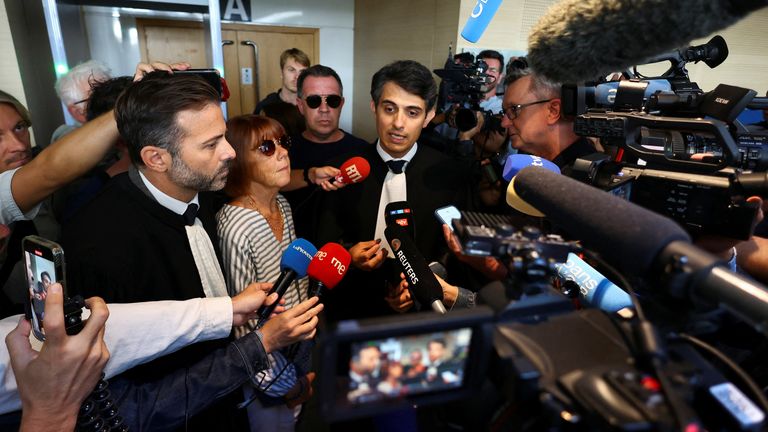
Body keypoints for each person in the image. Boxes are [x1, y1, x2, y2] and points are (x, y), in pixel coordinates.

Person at [60, 66, 320, 429]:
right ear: (156, 158)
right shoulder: (98, 242)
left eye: (224, 137)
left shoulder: (209, 191)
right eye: (211, 145)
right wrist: (261, 345)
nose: (230, 152)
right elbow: (118, 401)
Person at [315, 60, 471, 321]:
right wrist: (349, 257)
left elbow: (455, 251)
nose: (399, 123)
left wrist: (423, 283)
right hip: (352, 309)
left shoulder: (449, 173)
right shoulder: (342, 169)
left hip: (423, 313)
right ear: (374, 107)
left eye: (412, 113)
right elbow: (323, 240)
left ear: (429, 116)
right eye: (390, 109)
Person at [216, 114, 315, 430]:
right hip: (265, 367)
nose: (284, 153)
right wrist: (280, 383)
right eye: (267, 148)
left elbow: (297, 284)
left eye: (283, 143)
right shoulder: (234, 224)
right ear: (239, 160)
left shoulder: (283, 204)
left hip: (298, 346)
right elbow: (243, 324)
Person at [282, 64, 368, 240]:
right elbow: (263, 184)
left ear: (341, 104)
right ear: (300, 105)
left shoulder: (364, 152)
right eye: (314, 101)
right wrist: (309, 175)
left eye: (332, 101)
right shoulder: (283, 150)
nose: (324, 109)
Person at [500, 68, 596, 174]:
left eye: (514, 109)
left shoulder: (587, 178)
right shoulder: (526, 165)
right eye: (505, 111)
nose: (504, 123)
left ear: (553, 111)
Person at [51, 60, 112, 144]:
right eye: (98, 96)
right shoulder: (66, 136)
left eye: (112, 89)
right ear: (77, 112)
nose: (112, 98)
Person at [254, 48, 311, 137]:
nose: (297, 76)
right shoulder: (266, 106)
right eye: (291, 70)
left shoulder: (313, 104)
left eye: (302, 72)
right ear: (282, 73)